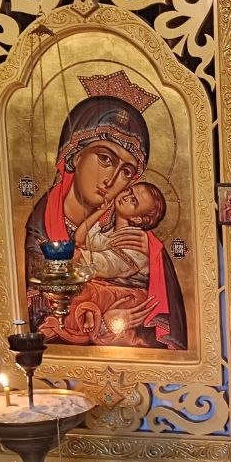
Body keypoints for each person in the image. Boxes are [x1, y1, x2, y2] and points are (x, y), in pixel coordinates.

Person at [25, 71, 187, 349]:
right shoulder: (41, 231)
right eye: (105, 158)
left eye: (126, 172)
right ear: (75, 154)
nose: (111, 180)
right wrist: (104, 322)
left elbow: (162, 330)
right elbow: (36, 321)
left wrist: (154, 256)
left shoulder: (138, 240)